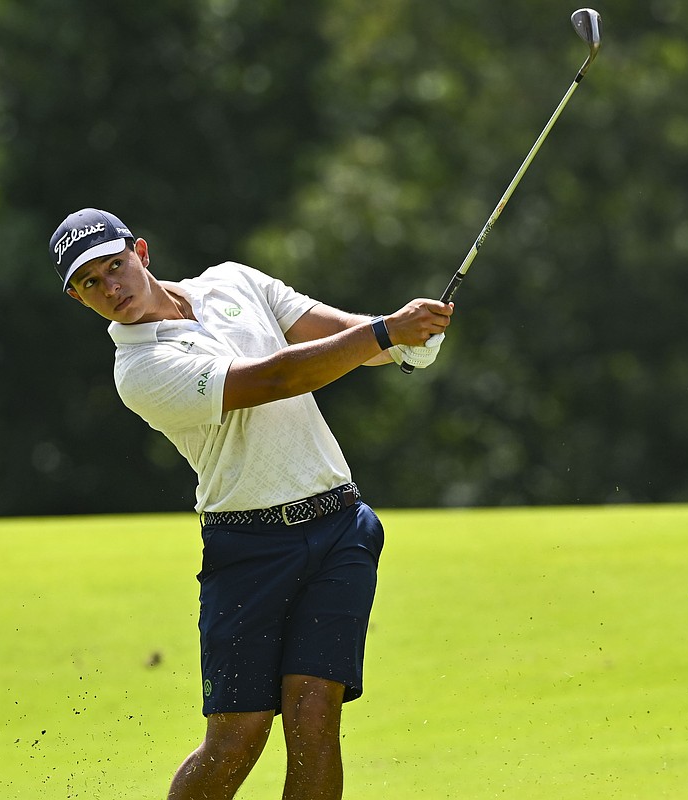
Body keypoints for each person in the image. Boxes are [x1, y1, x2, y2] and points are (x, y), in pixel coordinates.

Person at [48, 208, 453, 800]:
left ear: (141, 252)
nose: (111, 288)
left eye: (115, 266)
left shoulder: (233, 282)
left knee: (315, 720)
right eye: (90, 284)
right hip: (249, 548)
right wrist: (386, 333)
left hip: (341, 527)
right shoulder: (140, 369)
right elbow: (271, 381)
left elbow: (339, 334)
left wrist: (403, 342)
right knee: (237, 740)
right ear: (79, 300)